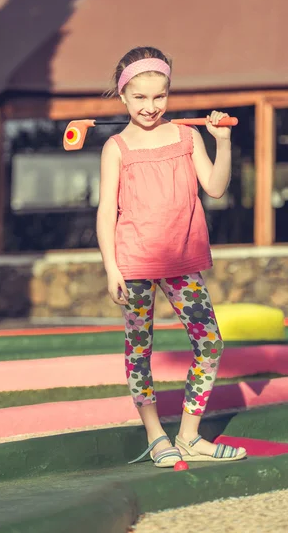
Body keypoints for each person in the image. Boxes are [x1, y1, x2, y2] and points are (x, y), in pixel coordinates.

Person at [96, 46, 246, 467]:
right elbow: (107, 211)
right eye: (140, 98)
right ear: (123, 97)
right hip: (135, 264)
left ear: (169, 93)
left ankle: (189, 436)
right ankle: (155, 436)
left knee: (210, 342)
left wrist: (224, 142)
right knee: (139, 349)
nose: (150, 106)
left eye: (159, 96)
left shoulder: (187, 136)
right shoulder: (117, 147)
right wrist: (111, 267)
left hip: (181, 262)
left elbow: (215, 187)